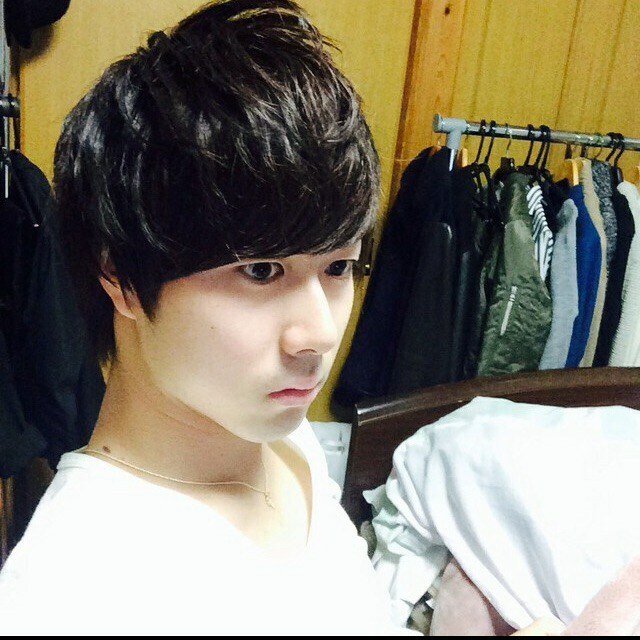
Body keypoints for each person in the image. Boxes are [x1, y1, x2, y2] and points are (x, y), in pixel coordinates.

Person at [0, 0, 564, 635]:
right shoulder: (69, 591)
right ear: (123, 278)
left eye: (339, 267)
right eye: (262, 271)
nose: (319, 334)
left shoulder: (283, 441)